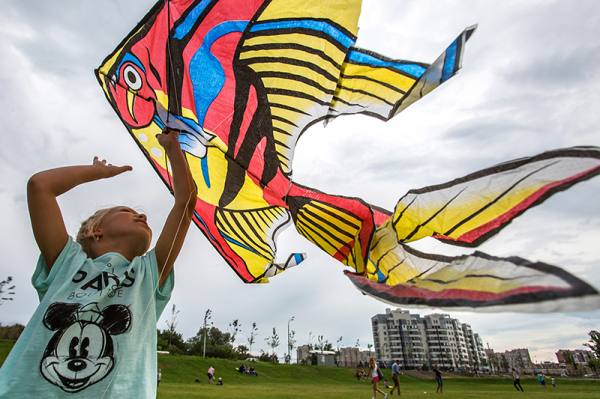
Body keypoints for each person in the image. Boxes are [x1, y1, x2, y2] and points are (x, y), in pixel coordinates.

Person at [0, 129, 196, 398]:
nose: (142, 214)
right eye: (127, 211)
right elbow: (40, 186)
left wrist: (173, 147)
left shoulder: (148, 273)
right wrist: (98, 172)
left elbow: (185, 203)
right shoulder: (66, 262)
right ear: (95, 230)